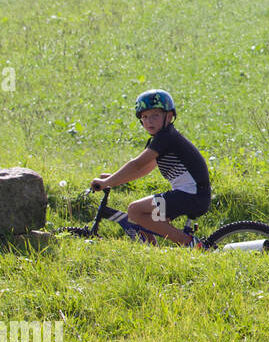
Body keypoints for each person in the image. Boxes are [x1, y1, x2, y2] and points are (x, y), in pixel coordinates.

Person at [90, 89, 211, 247]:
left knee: (135, 210)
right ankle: (152, 252)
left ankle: (191, 244)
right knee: (145, 217)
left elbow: (137, 164)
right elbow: (143, 170)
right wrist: (112, 179)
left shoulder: (166, 137)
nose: (149, 121)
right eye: (144, 117)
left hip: (190, 196)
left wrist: (107, 182)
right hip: (190, 195)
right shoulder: (163, 139)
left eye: (155, 115)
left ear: (168, 116)